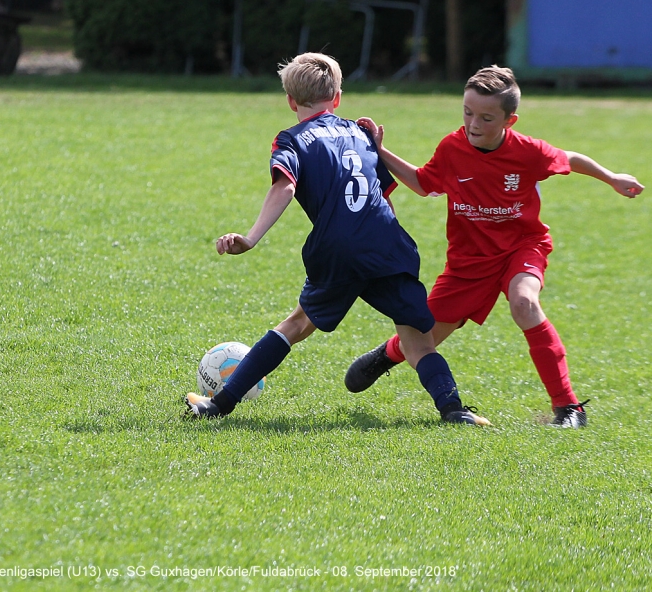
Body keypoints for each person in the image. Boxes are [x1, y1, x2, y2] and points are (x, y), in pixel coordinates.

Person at [184, 53, 490, 426]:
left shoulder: (291, 139)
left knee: (296, 325)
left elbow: (284, 186)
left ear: (291, 101)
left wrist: (251, 238)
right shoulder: (361, 134)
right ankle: (454, 410)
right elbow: (381, 195)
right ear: (338, 97)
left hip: (339, 248)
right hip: (388, 244)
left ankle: (218, 404)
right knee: (418, 341)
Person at [344, 66, 644, 429]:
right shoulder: (452, 147)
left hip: (522, 246)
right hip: (468, 262)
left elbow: (571, 158)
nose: (474, 124)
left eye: (486, 118)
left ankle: (568, 408)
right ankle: (388, 354)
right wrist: (381, 151)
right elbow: (424, 184)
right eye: (468, 112)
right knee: (423, 340)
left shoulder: (528, 151)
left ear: (509, 120)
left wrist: (611, 178)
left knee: (524, 303)